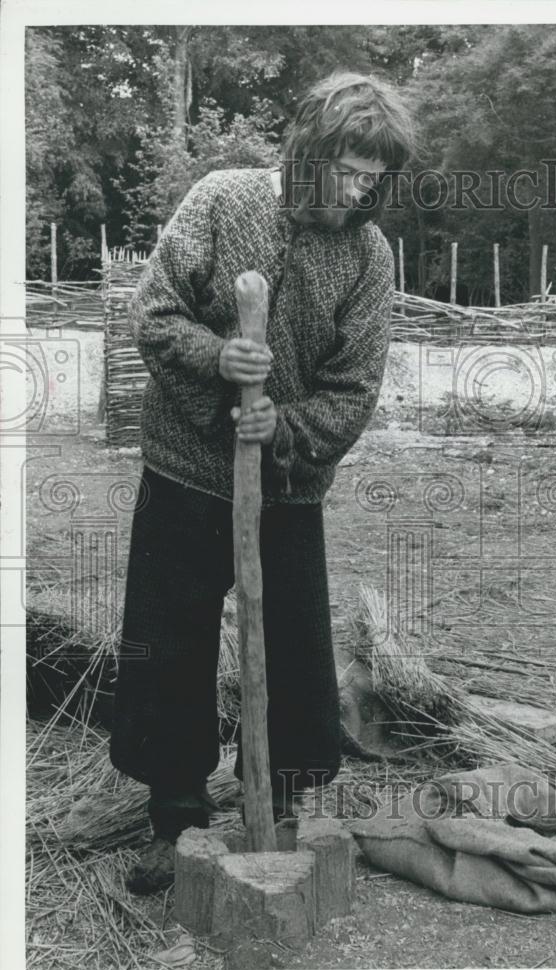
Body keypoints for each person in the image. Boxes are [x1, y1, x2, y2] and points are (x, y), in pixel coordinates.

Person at [109, 71, 416, 894]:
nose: (359, 189)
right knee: (166, 641)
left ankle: (279, 805)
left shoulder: (367, 255)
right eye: (346, 168)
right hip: (183, 467)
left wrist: (282, 425)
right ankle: (174, 818)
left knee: (291, 644)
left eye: (372, 176)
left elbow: (355, 387)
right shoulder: (220, 199)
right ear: (307, 153)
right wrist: (222, 360)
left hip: (286, 486)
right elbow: (155, 312)